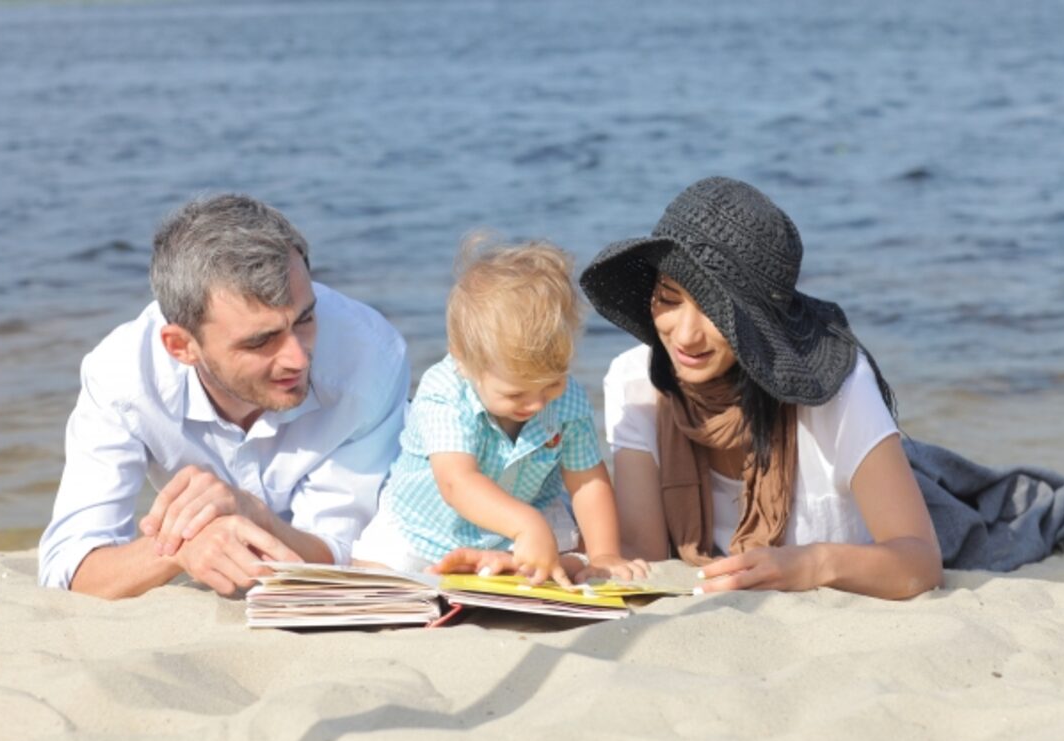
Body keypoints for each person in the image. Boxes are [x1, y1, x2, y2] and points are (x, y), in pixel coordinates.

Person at [577, 176, 944, 600]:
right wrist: (571, 557)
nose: (685, 336)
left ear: (757, 324)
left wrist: (812, 563)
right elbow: (644, 553)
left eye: (715, 312)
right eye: (669, 298)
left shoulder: (839, 391)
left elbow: (920, 562)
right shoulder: (636, 382)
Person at [38, 194, 411, 599]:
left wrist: (254, 516)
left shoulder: (369, 356)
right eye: (261, 341)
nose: (298, 358)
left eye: (304, 319)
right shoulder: (123, 378)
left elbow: (344, 558)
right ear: (181, 346)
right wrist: (181, 547)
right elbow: (68, 572)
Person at [352, 237, 647, 588]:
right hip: (424, 527)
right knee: (375, 576)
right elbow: (456, 481)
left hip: (524, 520)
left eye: (551, 385)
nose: (537, 404)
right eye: (516, 393)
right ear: (463, 360)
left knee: (576, 554)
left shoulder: (566, 399)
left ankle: (510, 562)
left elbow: (587, 480)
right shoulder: (444, 392)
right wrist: (526, 525)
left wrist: (604, 554)